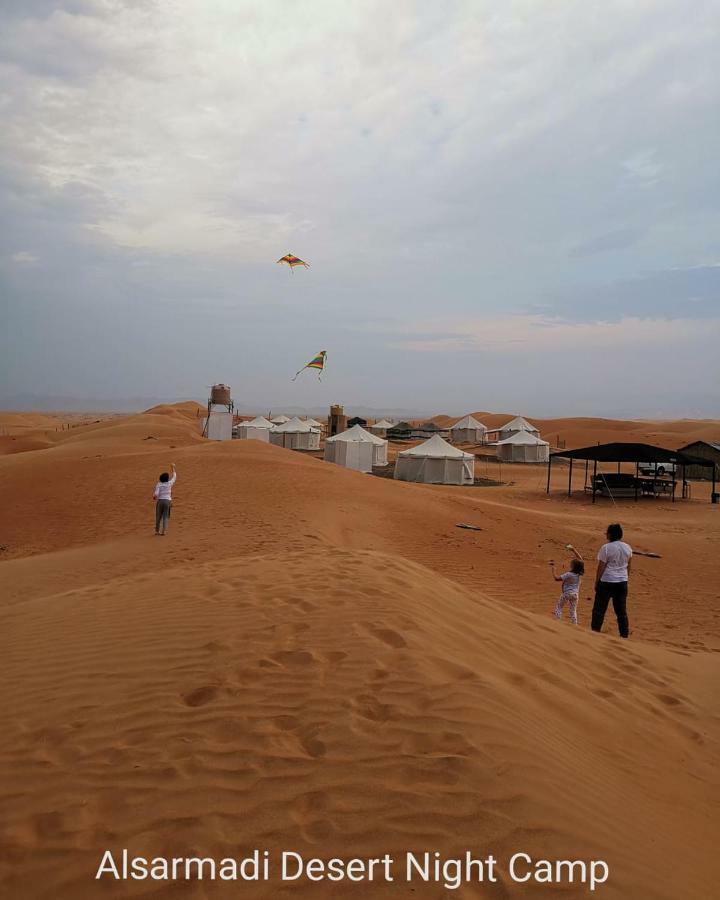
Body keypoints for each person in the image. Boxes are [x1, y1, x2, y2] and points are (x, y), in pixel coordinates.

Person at [592, 523, 632, 638]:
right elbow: (629, 566)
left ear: (610, 534)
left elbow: (601, 566)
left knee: (599, 610)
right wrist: (625, 579)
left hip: (607, 581)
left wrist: (597, 581)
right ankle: (624, 635)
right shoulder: (628, 547)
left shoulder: (606, 548)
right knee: (621, 611)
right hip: (622, 582)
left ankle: (594, 633)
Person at [549, 545, 585, 625]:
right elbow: (581, 560)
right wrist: (573, 550)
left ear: (573, 566)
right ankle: (574, 625)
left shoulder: (569, 574)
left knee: (559, 607)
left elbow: (556, 578)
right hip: (575, 595)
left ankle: (557, 622)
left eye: (571, 564)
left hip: (566, 594)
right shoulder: (580, 574)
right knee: (573, 610)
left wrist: (553, 571)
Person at [153, 463, 177, 535]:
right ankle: (164, 531)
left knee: (158, 516)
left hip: (160, 501)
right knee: (165, 517)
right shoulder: (169, 483)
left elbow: (156, 494)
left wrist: (154, 497)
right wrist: (173, 468)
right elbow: (174, 476)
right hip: (168, 501)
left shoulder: (159, 484)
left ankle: (157, 531)